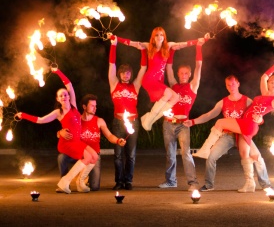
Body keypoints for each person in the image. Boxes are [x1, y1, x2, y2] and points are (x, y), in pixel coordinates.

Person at [184, 63, 274, 192]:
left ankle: (266, 184)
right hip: (234, 132)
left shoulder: (270, 100)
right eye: (272, 81)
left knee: (221, 123)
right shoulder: (261, 94)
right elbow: (264, 76)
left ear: (238, 84)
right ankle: (248, 184)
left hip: (246, 126)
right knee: (245, 155)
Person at [16, 67, 99, 194]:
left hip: (77, 142)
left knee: (94, 156)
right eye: (61, 96)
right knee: (88, 157)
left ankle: (80, 183)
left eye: (65, 94)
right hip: (67, 143)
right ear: (58, 99)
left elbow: (69, 85)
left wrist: (57, 71)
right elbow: (41, 120)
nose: (64, 96)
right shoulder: (58, 112)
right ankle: (65, 182)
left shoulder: (74, 106)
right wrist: (23, 115)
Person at [109, 27, 203, 131]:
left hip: (158, 81)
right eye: (156, 35)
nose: (159, 37)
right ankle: (149, 118)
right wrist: (116, 39)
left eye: (161, 35)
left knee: (175, 97)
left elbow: (183, 44)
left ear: (164, 37)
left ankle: (149, 119)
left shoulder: (168, 46)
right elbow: (131, 43)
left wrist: (197, 42)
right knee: (169, 94)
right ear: (153, 37)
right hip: (149, 79)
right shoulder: (148, 46)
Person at [158, 38, 207, 191]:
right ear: (179, 74)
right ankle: (170, 181)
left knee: (186, 154)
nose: (184, 75)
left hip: (183, 124)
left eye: (186, 73)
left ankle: (192, 183)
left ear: (189, 74)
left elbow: (199, 65)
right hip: (168, 123)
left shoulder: (193, 86)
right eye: (182, 73)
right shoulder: (174, 86)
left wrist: (198, 46)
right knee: (170, 155)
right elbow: (168, 68)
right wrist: (172, 50)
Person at [56, 94, 126, 191]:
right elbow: (63, 133)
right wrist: (60, 132)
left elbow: (109, 136)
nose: (95, 108)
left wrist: (118, 140)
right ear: (84, 107)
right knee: (62, 157)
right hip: (79, 155)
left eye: (95, 106)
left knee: (94, 187)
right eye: (92, 106)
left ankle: (81, 180)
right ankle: (64, 184)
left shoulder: (99, 121)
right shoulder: (76, 120)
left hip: (94, 157)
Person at [108, 35, 147, 190]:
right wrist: (113, 44)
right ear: (119, 74)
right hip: (117, 122)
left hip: (132, 122)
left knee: (130, 155)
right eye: (123, 72)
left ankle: (128, 181)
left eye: (128, 72)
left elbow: (143, 68)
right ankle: (119, 181)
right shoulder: (114, 84)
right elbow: (111, 64)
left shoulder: (135, 86)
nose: (126, 74)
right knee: (117, 155)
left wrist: (143, 51)